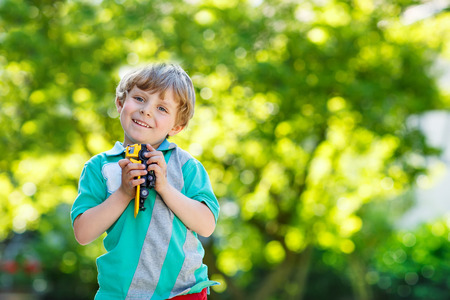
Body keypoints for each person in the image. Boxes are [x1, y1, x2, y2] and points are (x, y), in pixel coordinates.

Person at [71, 63, 220, 300]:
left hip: (182, 291)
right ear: (120, 103)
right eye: (139, 99)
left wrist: (165, 187)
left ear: (177, 126)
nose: (147, 111)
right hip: (121, 293)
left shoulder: (187, 167)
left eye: (162, 108)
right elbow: (83, 233)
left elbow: (206, 225)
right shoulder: (100, 167)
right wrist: (123, 193)